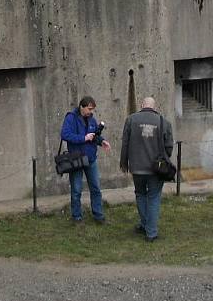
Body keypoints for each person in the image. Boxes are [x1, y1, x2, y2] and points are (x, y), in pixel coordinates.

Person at [119, 96, 173, 242]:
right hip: (156, 169)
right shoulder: (164, 122)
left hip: (137, 168)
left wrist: (124, 163)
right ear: (154, 107)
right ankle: (151, 233)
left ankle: (144, 225)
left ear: (142, 105)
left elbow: (125, 143)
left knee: (140, 194)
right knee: (154, 197)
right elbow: (169, 147)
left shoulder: (131, 120)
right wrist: (164, 158)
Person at [60, 96, 111, 224]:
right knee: (76, 190)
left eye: (92, 109)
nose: (91, 111)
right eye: (89, 109)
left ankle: (99, 216)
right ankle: (77, 218)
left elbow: (94, 135)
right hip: (76, 160)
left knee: (96, 188)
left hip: (91, 159)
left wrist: (101, 141)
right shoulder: (71, 117)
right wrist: (83, 138)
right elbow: (65, 134)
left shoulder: (92, 119)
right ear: (82, 107)